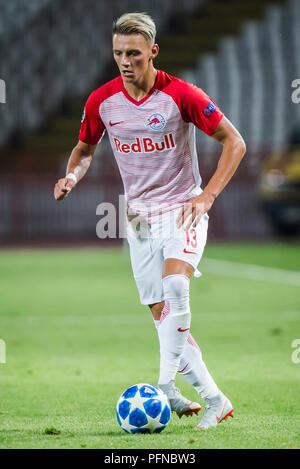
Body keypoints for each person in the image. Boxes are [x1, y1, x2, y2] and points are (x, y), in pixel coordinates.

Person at [54, 12, 246, 430]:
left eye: (134, 54)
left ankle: (163, 386)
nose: (125, 61)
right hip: (139, 220)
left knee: (177, 285)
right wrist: (72, 176)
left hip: (184, 209)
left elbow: (235, 141)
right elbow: (84, 149)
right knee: (162, 316)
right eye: (119, 53)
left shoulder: (182, 95)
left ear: (153, 52)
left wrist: (207, 195)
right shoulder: (102, 101)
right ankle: (214, 399)